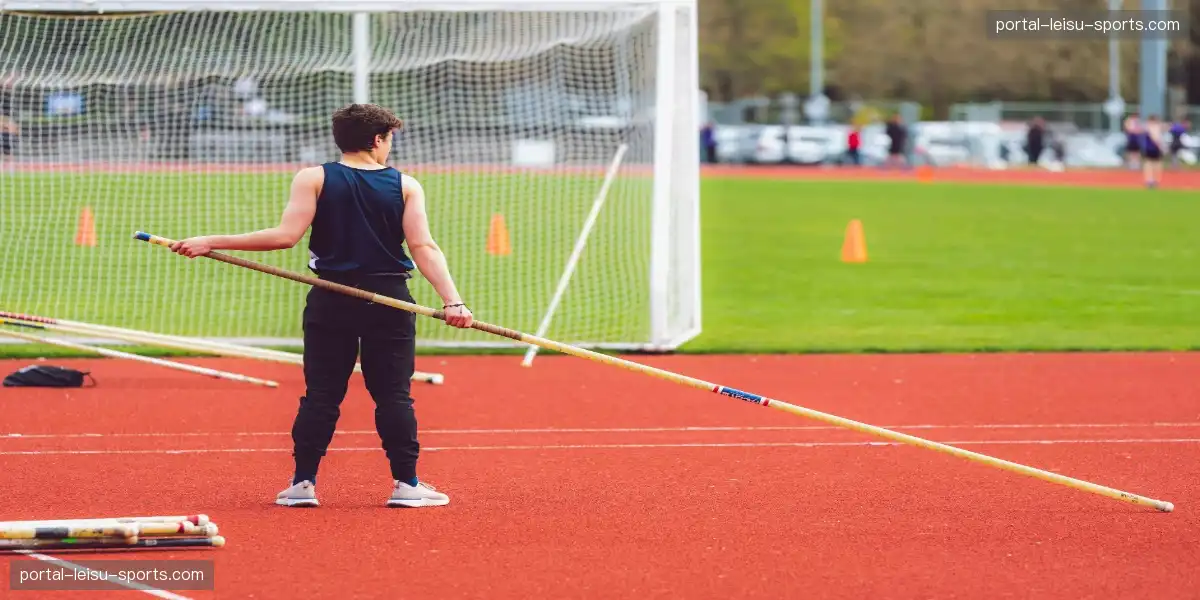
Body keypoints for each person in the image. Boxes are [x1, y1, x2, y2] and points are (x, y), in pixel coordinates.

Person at [168, 104, 473, 508]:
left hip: (331, 296)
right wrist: (453, 301)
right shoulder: (405, 185)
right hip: (390, 300)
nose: (390, 148)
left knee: (322, 395)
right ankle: (407, 485)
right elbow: (423, 247)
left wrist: (212, 240)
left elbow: (284, 236)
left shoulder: (313, 177)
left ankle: (302, 484)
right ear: (377, 139)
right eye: (390, 140)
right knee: (394, 396)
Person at [1141, 114, 1165, 189]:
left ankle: (1150, 179)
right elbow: (1155, 137)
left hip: (1148, 148)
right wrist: (1161, 146)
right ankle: (1154, 179)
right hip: (1154, 148)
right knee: (1155, 164)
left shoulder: (1147, 126)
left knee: (1149, 164)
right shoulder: (1154, 127)